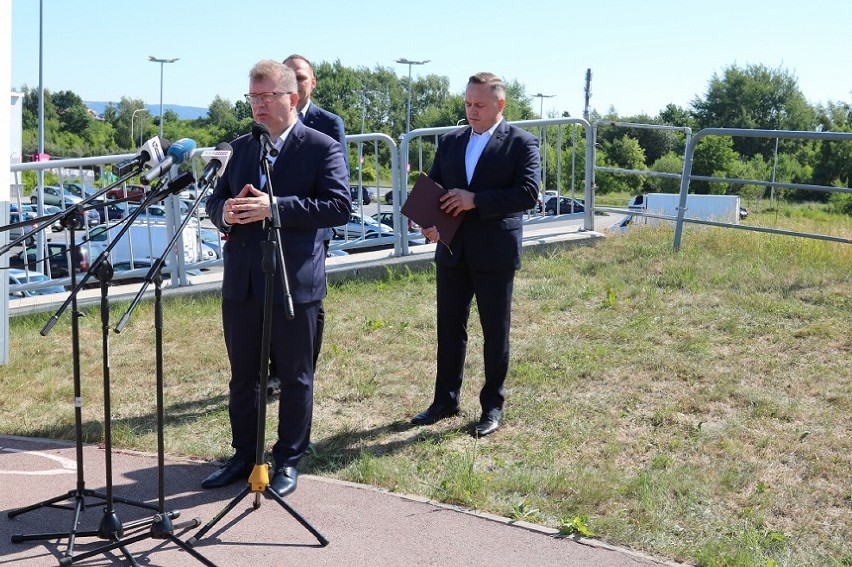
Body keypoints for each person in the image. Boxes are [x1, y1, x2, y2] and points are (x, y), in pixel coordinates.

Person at [201, 60, 351, 496]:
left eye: (267, 96)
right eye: (253, 97)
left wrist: (275, 206)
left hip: (293, 280)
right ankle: (243, 455)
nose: (259, 105)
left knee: (295, 376)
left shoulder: (321, 147)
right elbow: (215, 200)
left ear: (292, 96)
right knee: (242, 375)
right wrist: (223, 213)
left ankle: (287, 460)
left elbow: (338, 207)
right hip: (243, 279)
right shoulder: (241, 148)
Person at [410, 72, 540, 438]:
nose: (471, 111)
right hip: (452, 249)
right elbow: (434, 187)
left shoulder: (521, 143)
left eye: (479, 105)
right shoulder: (451, 141)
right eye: (467, 104)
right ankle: (445, 400)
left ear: (500, 104)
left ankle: (492, 406)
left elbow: (528, 193)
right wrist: (428, 223)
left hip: (494, 251)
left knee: (494, 332)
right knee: (449, 328)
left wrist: (475, 200)